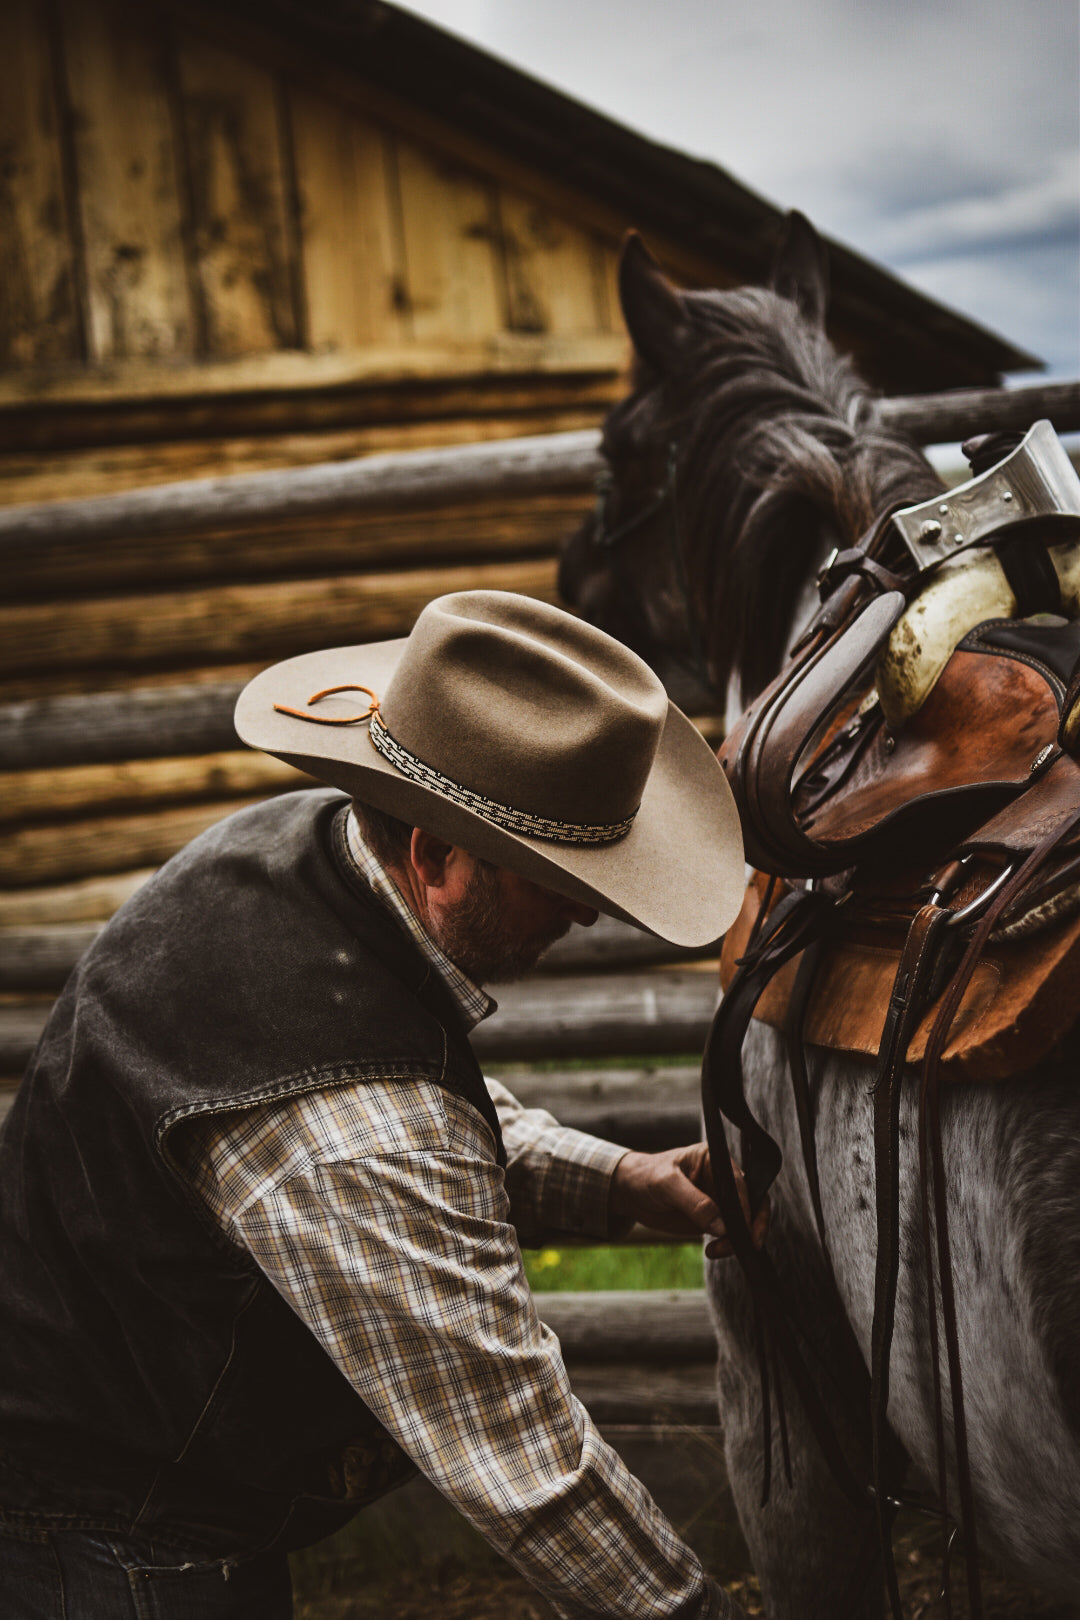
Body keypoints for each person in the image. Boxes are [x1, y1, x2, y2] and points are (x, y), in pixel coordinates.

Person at [0, 590, 756, 1619]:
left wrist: (621, 1181)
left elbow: (417, 1099)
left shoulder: (302, 856)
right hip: (122, 1538)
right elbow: (521, 1461)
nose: (585, 909)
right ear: (436, 857)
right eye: (556, 877)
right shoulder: (355, 1125)